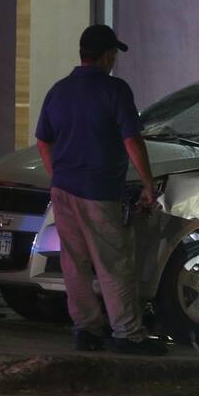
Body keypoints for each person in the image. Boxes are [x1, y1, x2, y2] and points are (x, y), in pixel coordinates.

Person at [34, 24, 167, 356]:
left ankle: (86, 330)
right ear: (107, 55)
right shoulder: (115, 90)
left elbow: (43, 140)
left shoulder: (58, 90)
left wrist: (58, 175)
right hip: (99, 190)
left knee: (74, 263)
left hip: (63, 190)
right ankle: (127, 334)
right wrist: (149, 184)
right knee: (113, 262)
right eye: (112, 55)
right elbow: (132, 140)